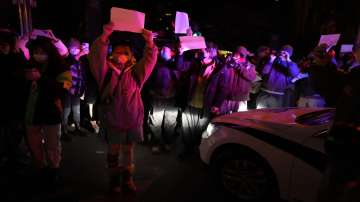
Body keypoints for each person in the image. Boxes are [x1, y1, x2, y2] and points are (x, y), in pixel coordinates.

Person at [89, 22, 158, 193]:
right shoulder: (105, 70)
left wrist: (150, 43)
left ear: (130, 56)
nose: (121, 55)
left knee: (128, 151)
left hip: (132, 119)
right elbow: (96, 56)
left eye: (125, 53)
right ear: (112, 53)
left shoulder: (136, 72)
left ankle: (127, 179)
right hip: (112, 119)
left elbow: (149, 60)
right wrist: (104, 36)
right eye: (118, 52)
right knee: (113, 150)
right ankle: (114, 180)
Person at [24, 31, 71, 188]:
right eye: (36, 52)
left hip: (51, 112)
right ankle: (41, 168)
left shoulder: (61, 67)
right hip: (31, 114)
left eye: (42, 52)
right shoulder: (28, 64)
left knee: (52, 145)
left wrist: (41, 79)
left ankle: (53, 171)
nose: (39, 55)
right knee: (34, 145)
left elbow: (62, 89)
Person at [179, 43, 227, 154]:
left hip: (205, 104)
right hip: (191, 102)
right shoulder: (196, 64)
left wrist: (217, 104)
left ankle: (197, 149)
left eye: (204, 49)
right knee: (187, 129)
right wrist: (181, 54)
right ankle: (187, 149)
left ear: (211, 52)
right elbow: (180, 67)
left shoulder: (219, 68)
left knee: (200, 130)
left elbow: (223, 88)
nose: (201, 50)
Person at [0, 29, 28, 167]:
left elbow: (24, 72)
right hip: (8, 101)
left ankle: (12, 155)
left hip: (16, 100)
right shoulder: (10, 56)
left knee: (15, 130)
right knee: (8, 130)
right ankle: (9, 157)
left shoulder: (18, 55)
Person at [148, 43, 180, 154]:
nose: (165, 53)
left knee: (170, 123)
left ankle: (167, 142)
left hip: (172, 98)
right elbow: (149, 80)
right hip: (157, 98)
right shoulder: (155, 65)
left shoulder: (175, 64)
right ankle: (156, 143)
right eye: (164, 51)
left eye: (168, 51)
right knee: (155, 122)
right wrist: (151, 91)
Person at [62, 38, 88, 140]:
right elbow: (69, 64)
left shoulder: (81, 59)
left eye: (78, 45)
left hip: (77, 89)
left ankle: (77, 127)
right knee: (66, 110)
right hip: (67, 89)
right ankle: (63, 130)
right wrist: (80, 54)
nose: (77, 47)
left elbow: (83, 73)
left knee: (77, 109)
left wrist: (83, 88)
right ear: (69, 47)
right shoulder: (66, 57)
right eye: (74, 45)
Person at [220, 46, 256, 113]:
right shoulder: (230, 63)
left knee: (238, 118)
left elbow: (252, 77)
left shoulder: (250, 66)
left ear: (243, 56)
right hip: (227, 97)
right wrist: (227, 64)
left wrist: (239, 67)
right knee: (223, 117)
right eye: (235, 53)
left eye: (239, 54)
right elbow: (221, 74)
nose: (236, 56)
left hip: (241, 98)